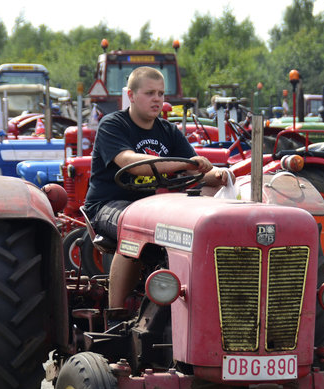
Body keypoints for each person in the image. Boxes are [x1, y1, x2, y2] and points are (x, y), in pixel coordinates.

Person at [83, 66, 230, 311]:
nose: (157, 99)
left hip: (151, 208)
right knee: (133, 226)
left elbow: (198, 170)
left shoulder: (168, 131)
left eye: (161, 94)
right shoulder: (113, 125)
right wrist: (187, 164)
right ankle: (116, 315)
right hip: (107, 206)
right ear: (131, 95)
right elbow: (132, 164)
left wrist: (220, 175)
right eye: (150, 93)